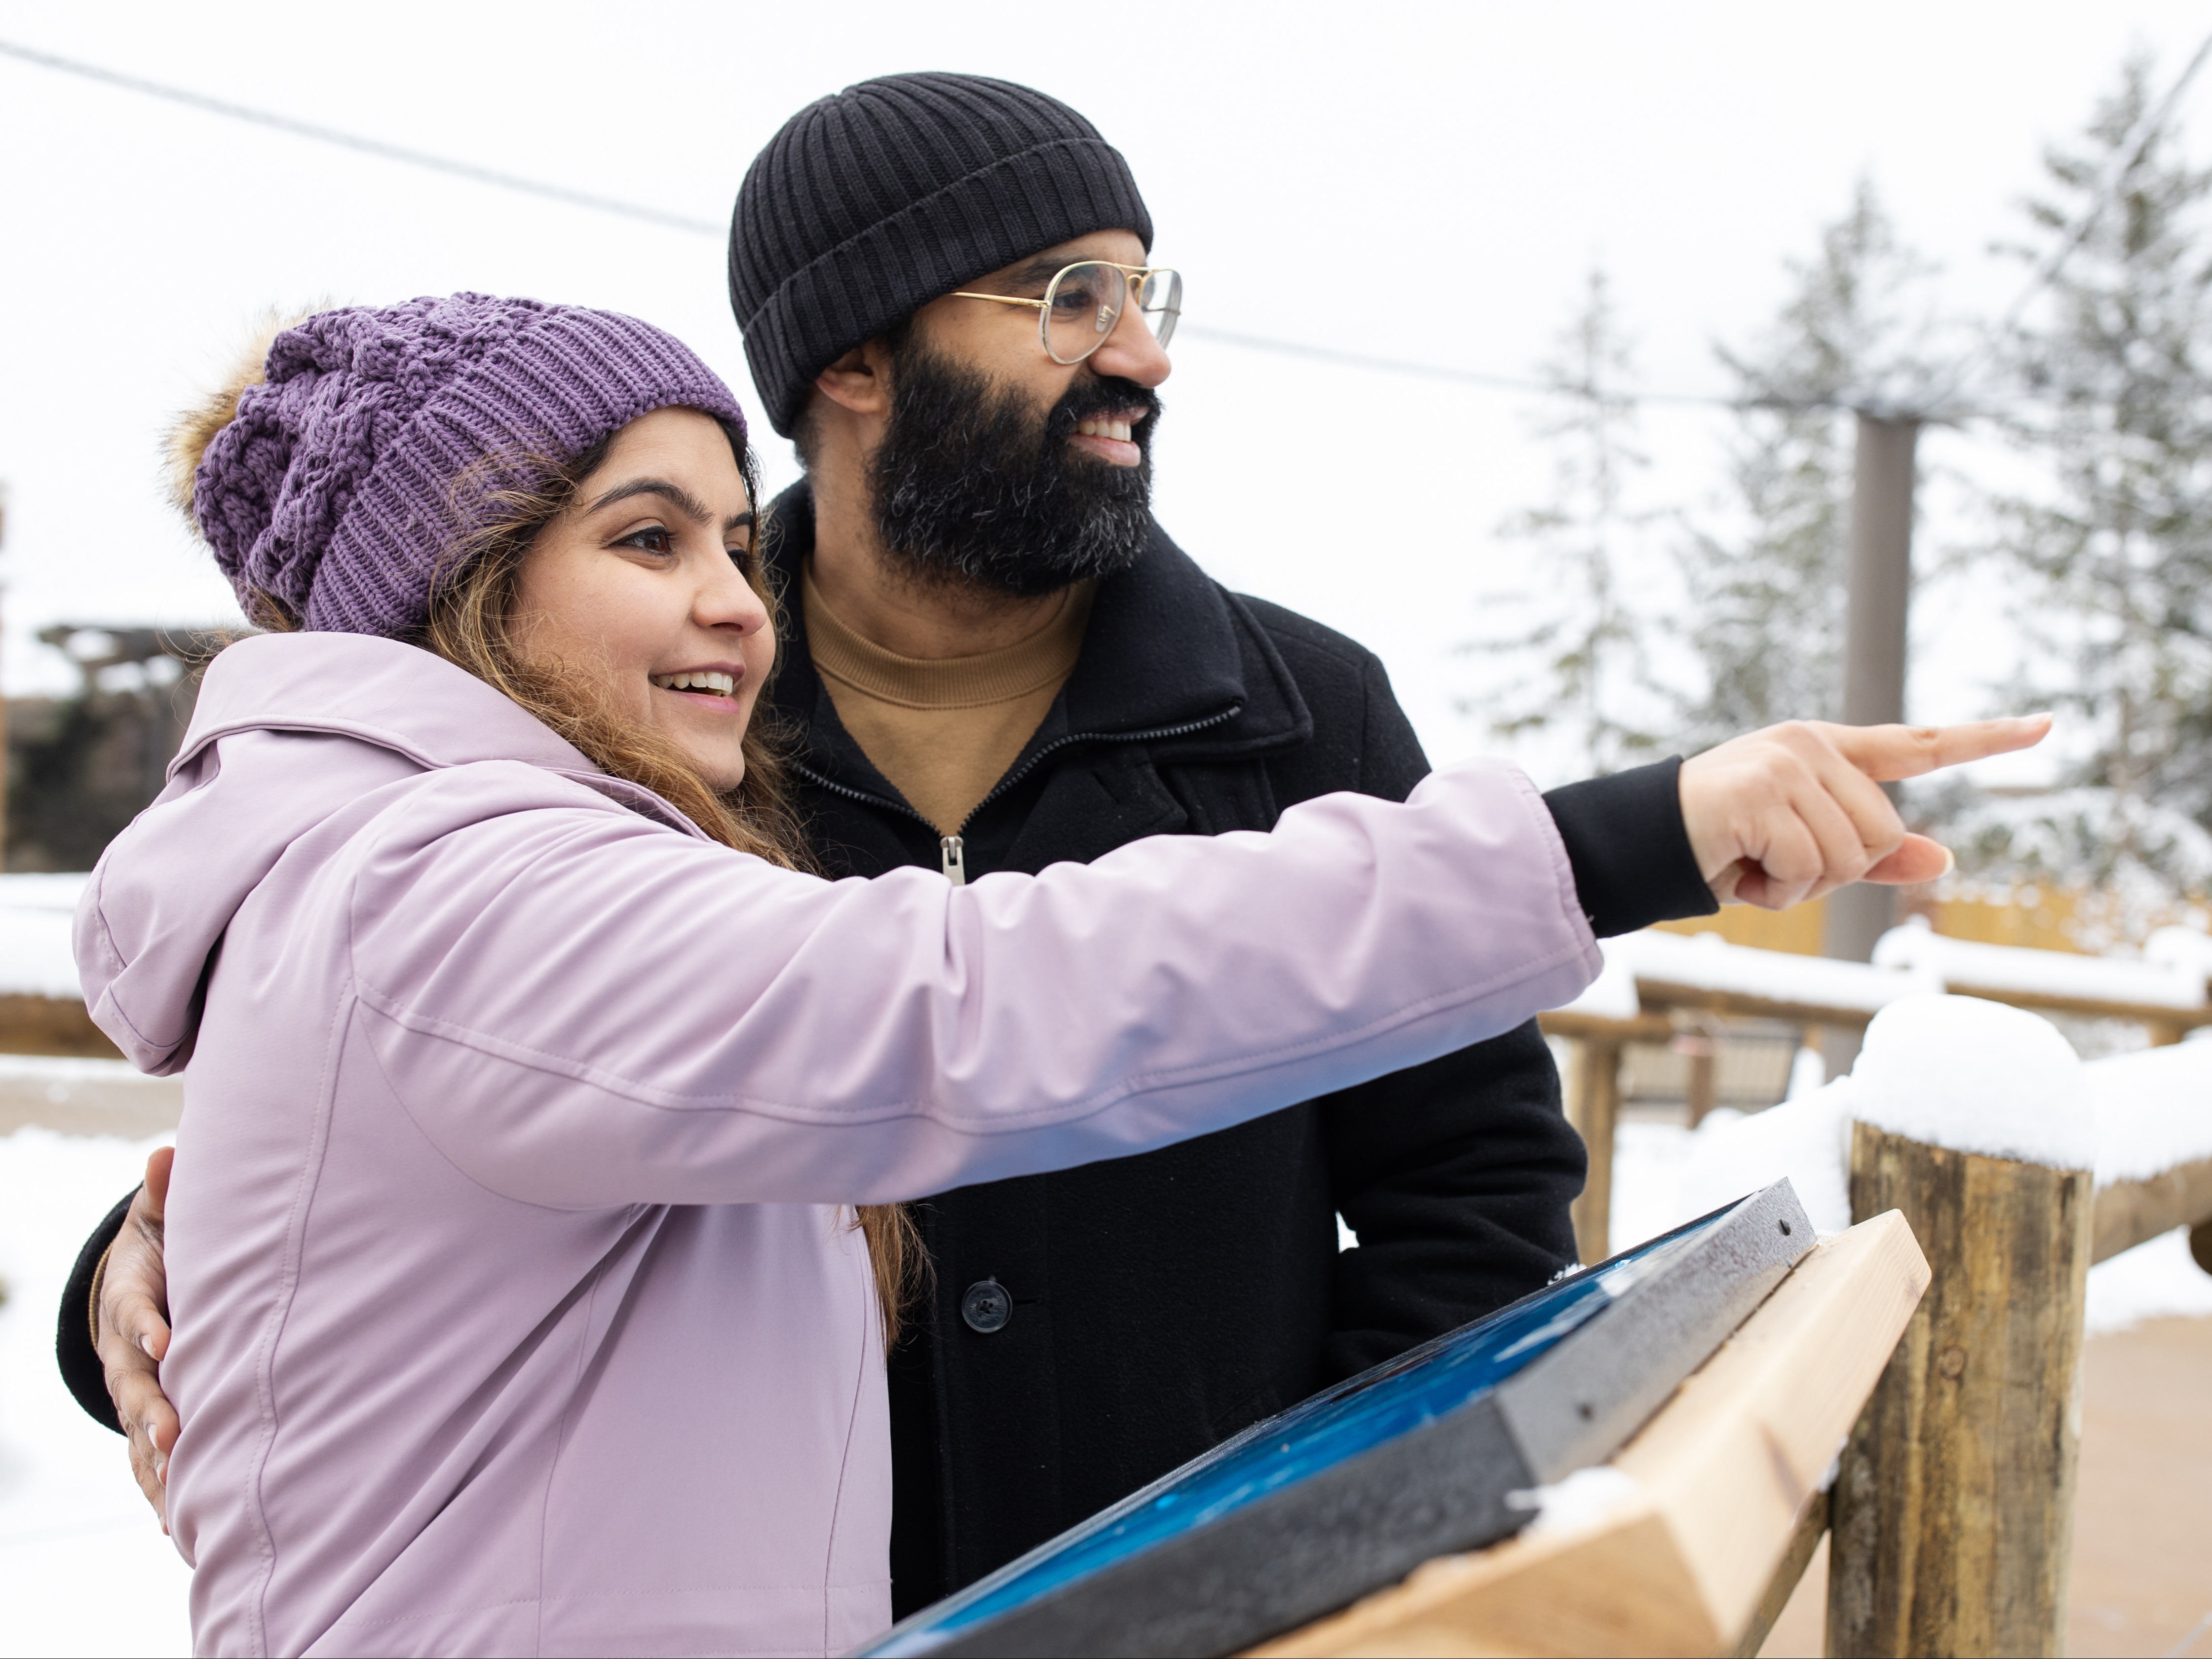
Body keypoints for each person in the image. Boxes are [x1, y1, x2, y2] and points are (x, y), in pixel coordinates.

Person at [57, 75, 2041, 1627]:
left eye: (1142, 293)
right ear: (851, 357)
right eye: (1063, 298)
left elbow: (1468, 1196)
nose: (1138, 354)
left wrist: (1310, 1533)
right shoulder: (645, 772)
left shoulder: (1298, 713)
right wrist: (148, 1273)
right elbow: (908, 1014)